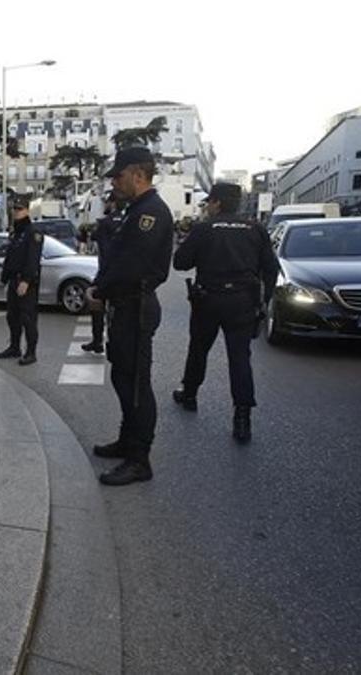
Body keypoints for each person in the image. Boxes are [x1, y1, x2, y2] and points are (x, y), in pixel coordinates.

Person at [89, 147, 174, 487]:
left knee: (137, 385)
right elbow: (115, 258)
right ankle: (127, 440)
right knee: (124, 379)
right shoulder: (136, 210)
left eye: (119, 175)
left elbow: (132, 264)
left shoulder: (149, 213)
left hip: (136, 306)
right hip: (125, 306)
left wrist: (100, 290)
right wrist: (101, 285)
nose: (115, 182)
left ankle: (139, 459)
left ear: (138, 175)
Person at [171, 183, 278, 443]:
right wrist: (263, 301)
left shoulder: (204, 229)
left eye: (209, 202)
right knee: (239, 358)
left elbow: (180, 262)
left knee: (198, 349)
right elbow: (271, 268)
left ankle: (190, 394)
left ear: (217, 203)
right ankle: (242, 418)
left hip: (209, 299)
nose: (207, 206)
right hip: (243, 301)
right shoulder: (256, 229)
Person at [0, 192, 43, 366]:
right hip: (14, 280)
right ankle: (15, 347)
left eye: (19, 209)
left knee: (28, 318)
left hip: (26, 283)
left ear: (27, 210)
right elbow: (10, 258)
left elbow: (33, 258)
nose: (16, 211)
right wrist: (4, 278)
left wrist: (26, 280)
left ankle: (31, 352)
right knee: (12, 317)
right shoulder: (16, 232)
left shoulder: (33, 232)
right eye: (14, 208)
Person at [81, 194, 124, 354]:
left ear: (112, 203)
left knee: (95, 302)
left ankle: (97, 341)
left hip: (106, 273)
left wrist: (100, 279)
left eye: (106, 202)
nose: (105, 205)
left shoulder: (104, 223)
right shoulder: (127, 220)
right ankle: (112, 342)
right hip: (123, 274)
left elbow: (103, 251)